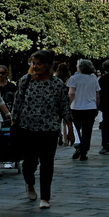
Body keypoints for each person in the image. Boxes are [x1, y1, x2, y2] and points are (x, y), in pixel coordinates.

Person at [10, 49, 71, 208]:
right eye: (33, 63)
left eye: (39, 64)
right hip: (27, 128)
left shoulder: (57, 84)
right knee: (29, 163)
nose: (35, 67)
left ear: (48, 66)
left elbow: (64, 107)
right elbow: (18, 103)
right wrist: (14, 122)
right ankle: (29, 183)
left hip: (49, 129)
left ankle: (45, 198)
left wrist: (70, 129)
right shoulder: (26, 80)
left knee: (47, 163)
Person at [67, 59, 100, 160]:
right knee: (87, 130)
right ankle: (84, 150)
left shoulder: (74, 78)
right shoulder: (94, 78)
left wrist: (68, 104)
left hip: (76, 107)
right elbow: (98, 95)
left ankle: (79, 146)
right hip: (90, 107)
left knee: (77, 129)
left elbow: (71, 93)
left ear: (80, 67)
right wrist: (97, 107)